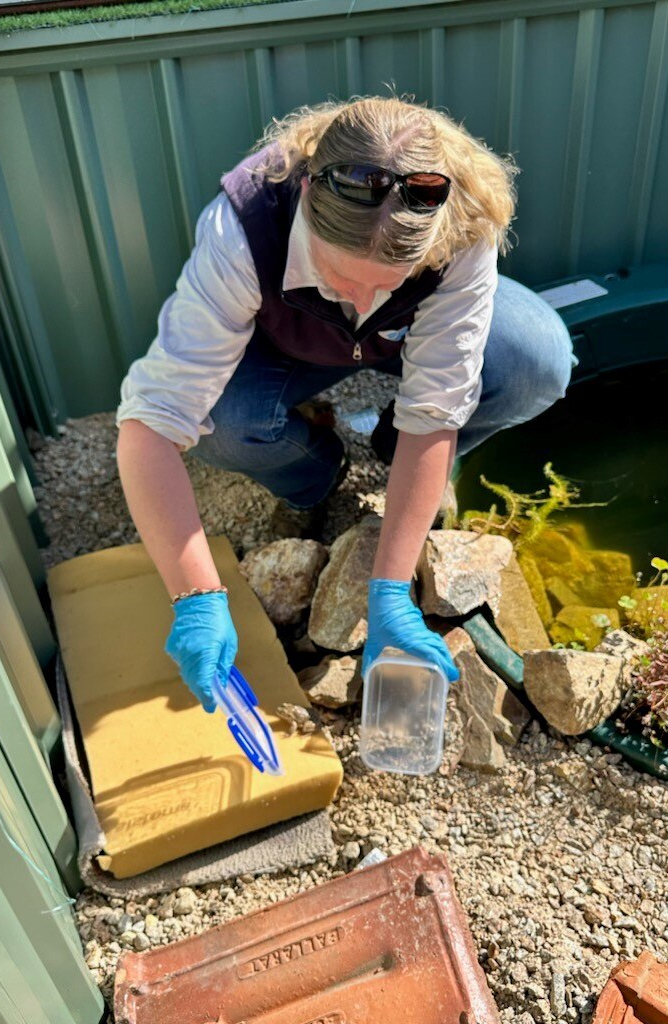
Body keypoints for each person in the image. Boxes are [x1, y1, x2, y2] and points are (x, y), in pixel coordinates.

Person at [116, 96, 574, 713]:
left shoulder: (460, 220)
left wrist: (390, 592)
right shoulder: (242, 227)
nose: (362, 301)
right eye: (340, 277)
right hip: (283, 341)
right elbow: (149, 425)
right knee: (224, 425)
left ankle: (394, 453)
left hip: (403, 339)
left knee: (537, 362)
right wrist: (196, 597)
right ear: (307, 199)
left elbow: (436, 409)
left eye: (389, 280)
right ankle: (313, 477)